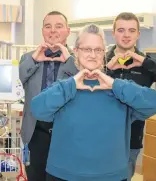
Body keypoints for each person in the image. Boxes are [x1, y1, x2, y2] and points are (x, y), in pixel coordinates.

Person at [30, 24, 156, 181]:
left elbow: (152, 103)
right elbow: (37, 108)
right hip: (63, 175)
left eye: (98, 50)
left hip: (111, 176)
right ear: (76, 51)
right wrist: (72, 84)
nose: (92, 54)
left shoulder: (120, 90)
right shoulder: (63, 88)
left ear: (104, 53)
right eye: (87, 49)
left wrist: (115, 84)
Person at [19, 11, 76, 181]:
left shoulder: (78, 59)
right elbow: (14, 84)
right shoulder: (28, 58)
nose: (53, 31)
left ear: (68, 31)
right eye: (48, 26)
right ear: (42, 31)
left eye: (58, 26)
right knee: (35, 176)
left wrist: (69, 61)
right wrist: (35, 60)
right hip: (35, 129)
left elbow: (87, 85)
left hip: (66, 130)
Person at [105, 12, 156, 180]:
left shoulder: (147, 64)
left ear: (138, 34)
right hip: (102, 136)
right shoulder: (100, 60)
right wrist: (107, 69)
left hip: (131, 140)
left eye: (131, 30)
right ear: (113, 33)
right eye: (121, 30)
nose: (126, 35)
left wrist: (145, 62)